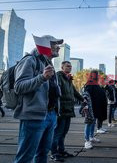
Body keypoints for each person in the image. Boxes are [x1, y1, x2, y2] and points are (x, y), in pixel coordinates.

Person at [13, 35, 63, 163]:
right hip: (34, 117)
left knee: (42, 155)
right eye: (54, 44)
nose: (58, 47)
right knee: (25, 157)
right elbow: (19, 87)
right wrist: (42, 78)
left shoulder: (48, 63)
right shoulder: (30, 60)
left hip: (51, 115)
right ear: (44, 44)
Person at [50, 61, 84, 161]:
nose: (69, 67)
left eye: (70, 66)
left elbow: (74, 91)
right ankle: (54, 153)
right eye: (67, 66)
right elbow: (56, 90)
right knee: (57, 132)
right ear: (62, 67)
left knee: (64, 132)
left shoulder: (68, 79)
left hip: (68, 109)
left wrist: (83, 99)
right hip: (61, 109)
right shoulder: (58, 76)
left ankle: (61, 150)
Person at [82, 70, 107, 149]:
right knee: (88, 123)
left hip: (96, 108)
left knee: (93, 123)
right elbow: (85, 97)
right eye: (94, 75)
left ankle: (91, 137)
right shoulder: (89, 85)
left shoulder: (97, 85)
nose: (96, 76)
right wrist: (85, 107)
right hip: (90, 108)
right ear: (91, 76)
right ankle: (87, 141)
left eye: (97, 75)